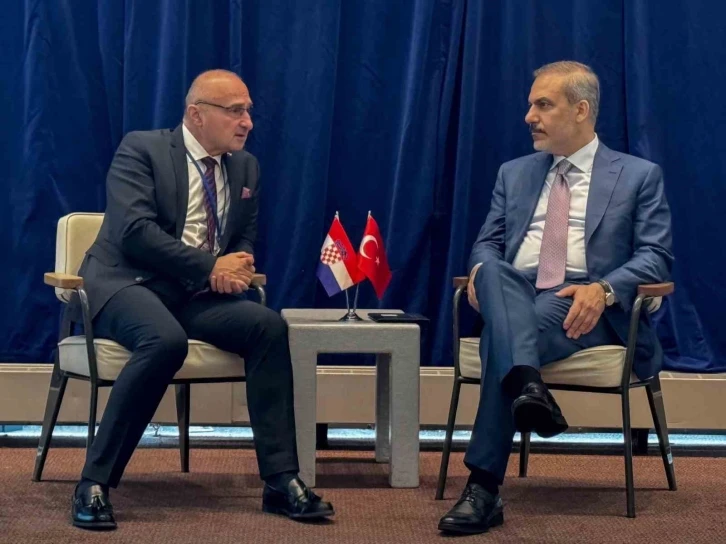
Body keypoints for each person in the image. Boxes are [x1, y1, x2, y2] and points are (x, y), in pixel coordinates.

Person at [71, 69, 334, 530]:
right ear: (196, 114)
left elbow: (243, 235)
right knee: (165, 340)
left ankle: (280, 480)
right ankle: (94, 482)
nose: (247, 121)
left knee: (268, 327)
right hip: (125, 282)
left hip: (189, 291)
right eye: (235, 110)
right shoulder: (142, 149)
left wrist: (239, 265)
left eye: (248, 110)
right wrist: (211, 267)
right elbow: (134, 232)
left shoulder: (245, 166)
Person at [438, 61, 673, 535]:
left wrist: (603, 289)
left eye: (543, 105)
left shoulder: (638, 175)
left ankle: (483, 486)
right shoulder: (514, 173)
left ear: (581, 110)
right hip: (516, 292)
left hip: (585, 304)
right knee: (495, 271)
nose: (530, 116)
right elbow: (487, 245)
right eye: (531, 105)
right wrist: (482, 273)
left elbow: (656, 256)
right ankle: (528, 385)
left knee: (501, 339)